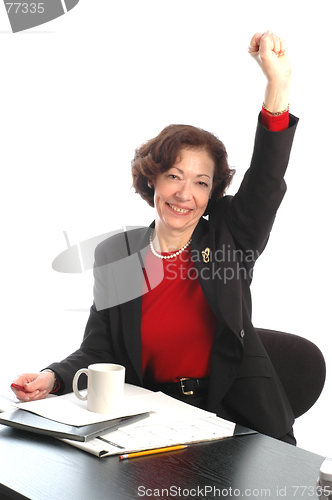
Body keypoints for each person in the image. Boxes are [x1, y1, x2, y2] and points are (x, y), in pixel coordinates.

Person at [11, 31, 298, 444]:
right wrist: (53, 376)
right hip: (150, 418)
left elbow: (267, 180)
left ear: (212, 193)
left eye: (201, 182)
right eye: (174, 177)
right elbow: (101, 347)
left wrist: (278, 85)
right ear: (153, 181)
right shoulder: (120, 253)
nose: (185, 194)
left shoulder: (229, 235)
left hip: (236, 420)